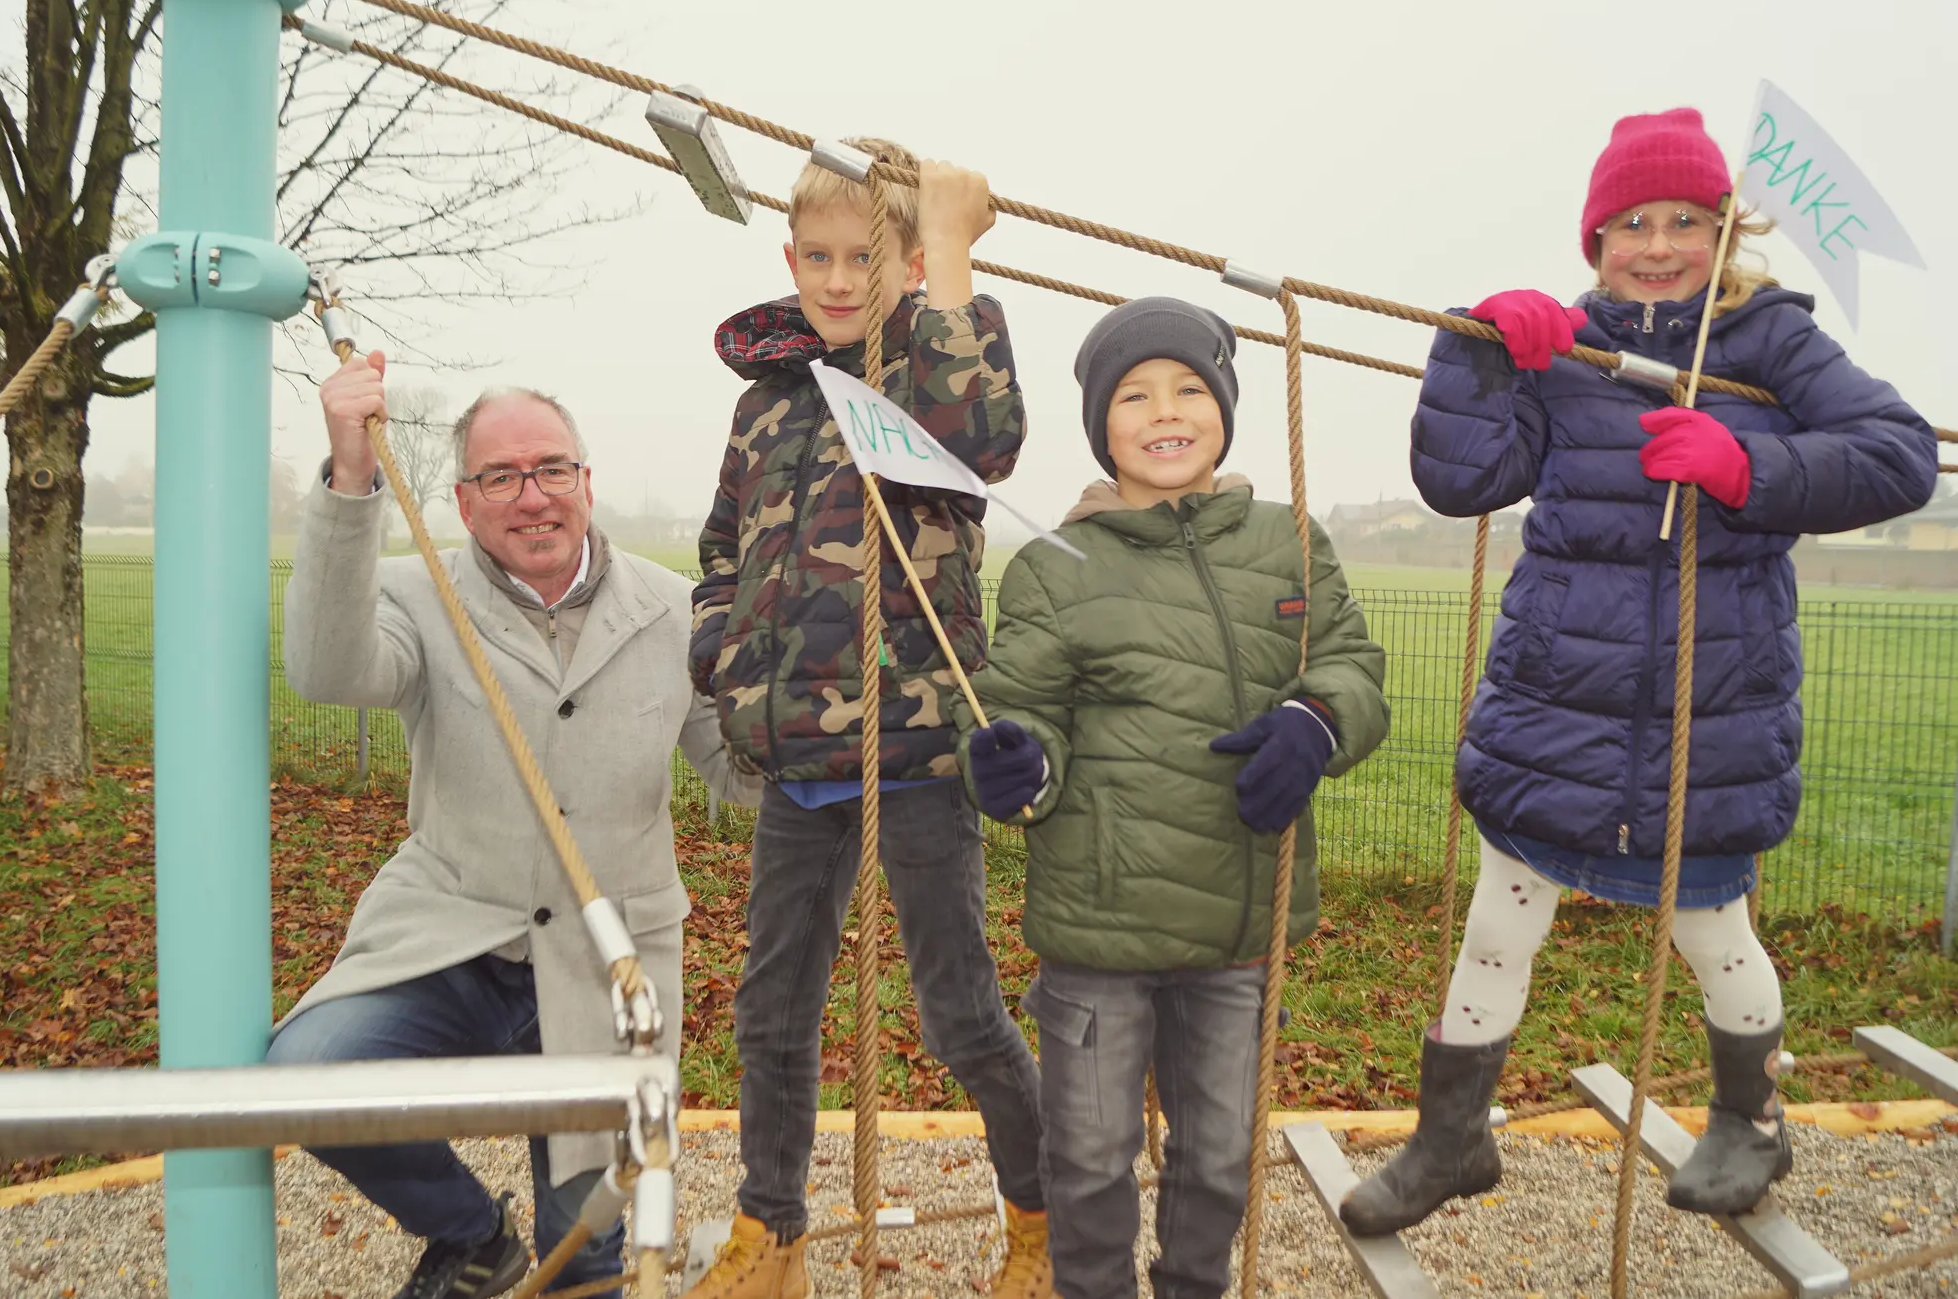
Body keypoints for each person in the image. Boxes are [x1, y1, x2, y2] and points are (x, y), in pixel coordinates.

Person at [1340, 108, 1941, 1237]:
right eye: (1629, 225)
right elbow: (1462, 481)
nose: (1655, 244)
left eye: (1683, 221)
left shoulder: (1768, 345)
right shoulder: (1566, 345)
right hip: (1554, 704)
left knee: (1715, 934)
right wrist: (1475, 354)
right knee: (1496, 925)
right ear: (1593, 240)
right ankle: (1451, 1136)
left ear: (1724, 234)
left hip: (1700, 716)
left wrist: (1744, 463)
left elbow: (1898, 454)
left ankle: (1748, 1120)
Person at [271, 363, 760, 1299]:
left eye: (552, 470)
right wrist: (349, 470)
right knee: (310, 1074)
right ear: (461, 499)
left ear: (587, 480)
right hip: (452, 934)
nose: (531, 497)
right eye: (501, 477)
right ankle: (475, 1238)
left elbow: (740, 774)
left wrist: (821, 700)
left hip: (608, 960)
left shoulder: (674, 609)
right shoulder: (421, 595)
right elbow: (329, 669)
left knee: (594, 1251)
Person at [961, 297, 1391, 1299]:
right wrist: (1016, 769)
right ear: (1102, 427)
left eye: (1189, 388)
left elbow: (1351, 665)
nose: (1165, 411)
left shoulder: (1288, 543)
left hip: (1234, 930)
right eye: (1135, 395)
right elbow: (1022, 713)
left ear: (1225, 410)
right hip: (1098, 932)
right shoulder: (1054, 568)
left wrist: (1315, 722)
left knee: (1215, 1157)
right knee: (1088, 1158)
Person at [686, 138, 1046, 1299]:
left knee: (959, 1015)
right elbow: (718, 548)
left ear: (901, 264)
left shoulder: (929, 370)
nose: (841, 283)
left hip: (919, 755)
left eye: (868, 259)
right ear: (790, 260)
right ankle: (771, 1230)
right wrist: (717, 652)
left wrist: (947, 251)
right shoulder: (764, 405)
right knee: (771, 1008)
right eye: (821, 259)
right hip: (796, 760)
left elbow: (981, 438)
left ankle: (1040, 1222)